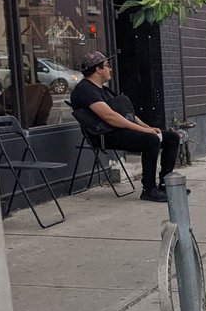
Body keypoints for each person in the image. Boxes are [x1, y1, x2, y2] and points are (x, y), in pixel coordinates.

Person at [69, 51, 181, 203]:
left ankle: (165, 184)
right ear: (98, 69)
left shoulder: (102, 89)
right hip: (103, 135)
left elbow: (125, 113)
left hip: (117, 130)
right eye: (107, 66)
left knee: (172, 138)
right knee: (151, 140)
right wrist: (145, 131)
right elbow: (110, 117)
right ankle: (149, 189)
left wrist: (148, 126)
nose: (110, 69)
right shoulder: (85, 90)